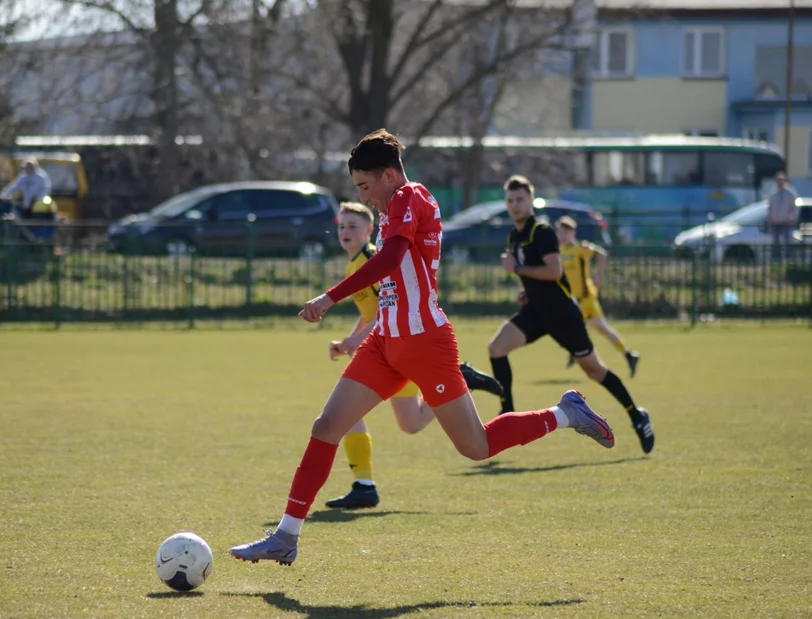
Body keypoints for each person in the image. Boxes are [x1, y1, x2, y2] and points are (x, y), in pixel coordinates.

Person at [229, 129, 615, 566]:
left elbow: (391, 259)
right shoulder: (396, 201)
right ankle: (286, 536)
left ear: (389, 175)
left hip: (424, 342)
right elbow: (391, 264)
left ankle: (566, 413)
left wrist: (328, 297)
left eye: (365, 186)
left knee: (476, 447)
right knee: (326, 427)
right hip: (386, 341)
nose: (365, 197)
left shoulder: (409, 198)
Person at [324, 201, 504, 510]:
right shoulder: (353, 264)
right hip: (382, 344)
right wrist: (349, 340)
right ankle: (462, 379)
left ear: (370, 230)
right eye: (341, 226)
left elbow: (390, 307)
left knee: (346, 415)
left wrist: (357, 340)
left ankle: (364, 486)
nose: (345, 231)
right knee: (410, 424)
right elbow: (371, 312)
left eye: (352, 226)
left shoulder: (371, 258)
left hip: (394, 345)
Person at [486, 175, 654, 455]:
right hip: (535, 313)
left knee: (594, 370)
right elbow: (528, 271)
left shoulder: (542, 232)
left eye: (520, 200)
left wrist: (517, 270)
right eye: (510, 200)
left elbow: (554, 272)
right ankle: (508, 417)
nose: (515, 205)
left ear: (531, 200)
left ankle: (636, 415)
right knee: (496, 348)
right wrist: (524, 288)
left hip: (563, 315)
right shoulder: (514, 236)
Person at [555, 215, 640, 377]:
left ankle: (628, 355)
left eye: (566, 232)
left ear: (573, 233)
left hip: (585, 299)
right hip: (571, 300)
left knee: (601, 329)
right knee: (567, 327)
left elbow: (602, 253)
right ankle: (576, 351)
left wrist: (597, 274)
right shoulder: (559, 251)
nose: (562, 235)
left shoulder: (580, 248)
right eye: (560, 232)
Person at [767, 171, 799, 260]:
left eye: (781, 180)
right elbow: (770, 206)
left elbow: (795, 207)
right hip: (775, 222)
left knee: (787, 241)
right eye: (778, 180)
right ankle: (776, 259)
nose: (779, 182)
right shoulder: (773, 193)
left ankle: (788, 259)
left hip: (786, 221)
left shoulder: (790, 193)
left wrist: (794, 218)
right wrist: (770, 217)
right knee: (775, 242)